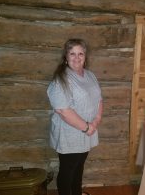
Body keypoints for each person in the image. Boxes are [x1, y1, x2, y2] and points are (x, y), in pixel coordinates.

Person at [47, 38, 103, 195]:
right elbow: (63, 111)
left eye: (80, 54)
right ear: (66, 56)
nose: (77, 58)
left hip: (88, 130)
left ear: (85, 57)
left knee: (79, 167)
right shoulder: (61, 79)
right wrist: (86, 127)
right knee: (68, 170)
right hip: (70, 134)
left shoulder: (90, 75)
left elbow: (99, 98)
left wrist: (96, 120)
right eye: (72, 53)